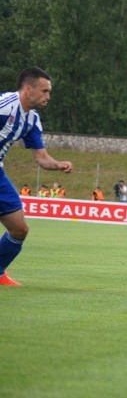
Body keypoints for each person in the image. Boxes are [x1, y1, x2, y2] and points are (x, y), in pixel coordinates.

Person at [0, 67, 73, 286]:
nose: (48, 97)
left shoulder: (32, 120)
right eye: (44, 91)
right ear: (28, 88)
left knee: (19, 228)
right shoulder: (4, 106)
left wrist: (58, 164)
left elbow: (41, 157)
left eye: (49, 92)